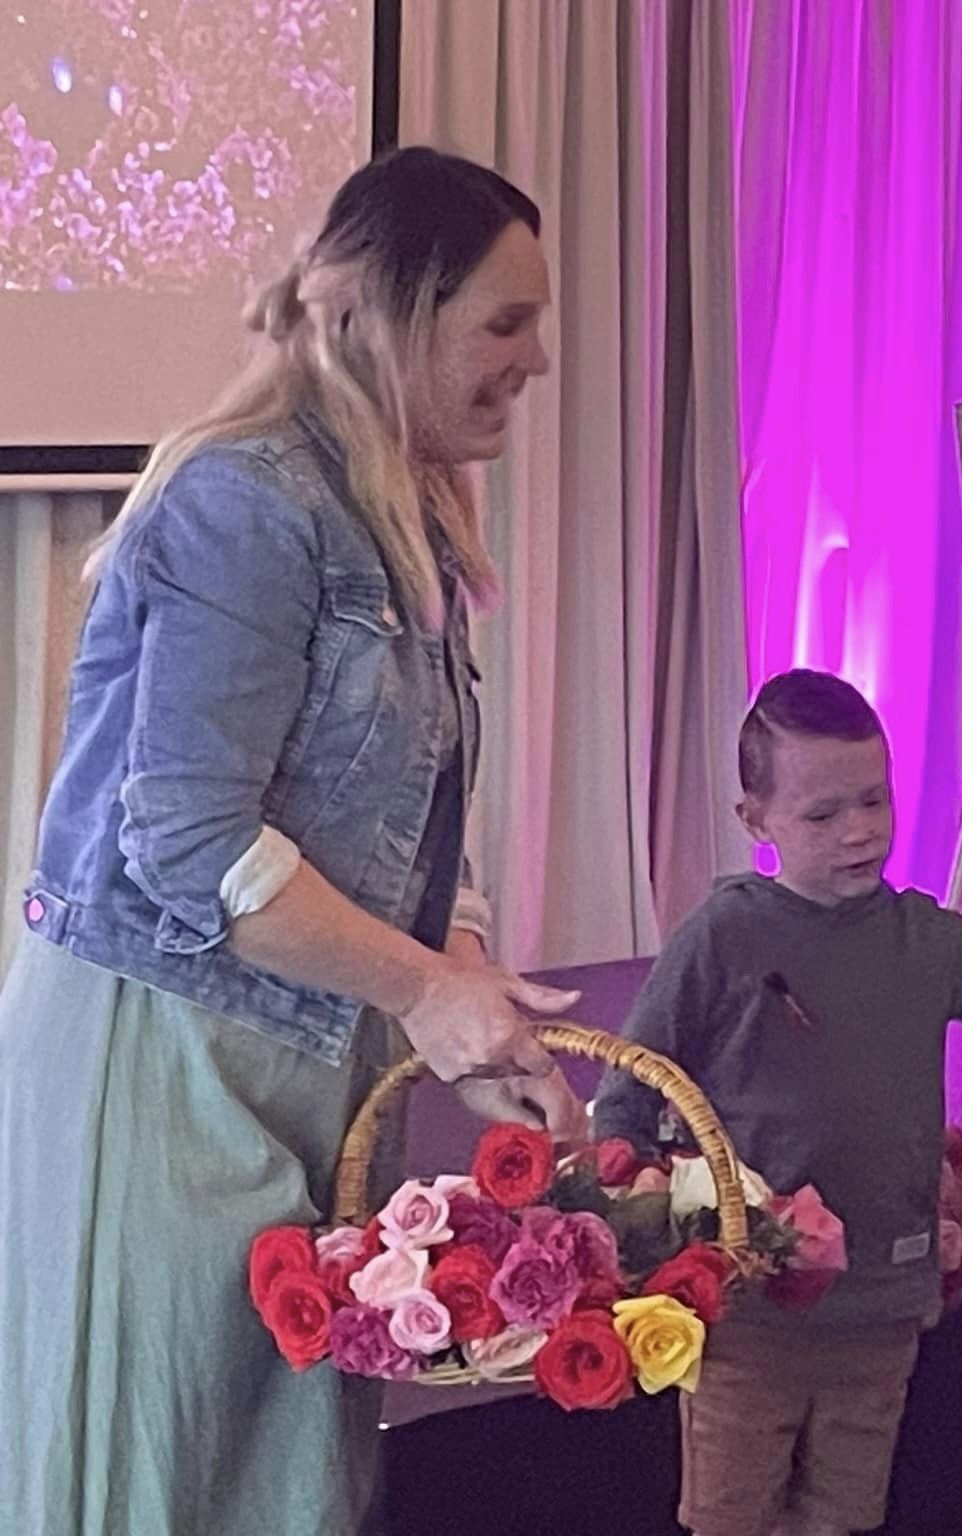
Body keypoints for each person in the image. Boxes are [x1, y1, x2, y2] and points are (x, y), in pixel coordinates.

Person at [0, 148, 584, 1536]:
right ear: (394, 312)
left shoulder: (406, 512)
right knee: (156, 1479)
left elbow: (409, 816)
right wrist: (424, 993)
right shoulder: (246, 500)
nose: (539, 359)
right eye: (505, 322)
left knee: (278, 1478)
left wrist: (474, 999)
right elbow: (189, 842)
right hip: (171, 1076)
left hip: (308, 1062)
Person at [591, 669, 962, 1536]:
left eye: (874, 801)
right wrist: (639, 1223)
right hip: (750, 1311)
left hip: (882, 1302)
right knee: (729, 1515)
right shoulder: (724, 935)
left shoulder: (924, 939)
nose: (859, 832)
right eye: (822, 816)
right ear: (757, 821)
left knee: (846, 1514)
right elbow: (630, 1090)